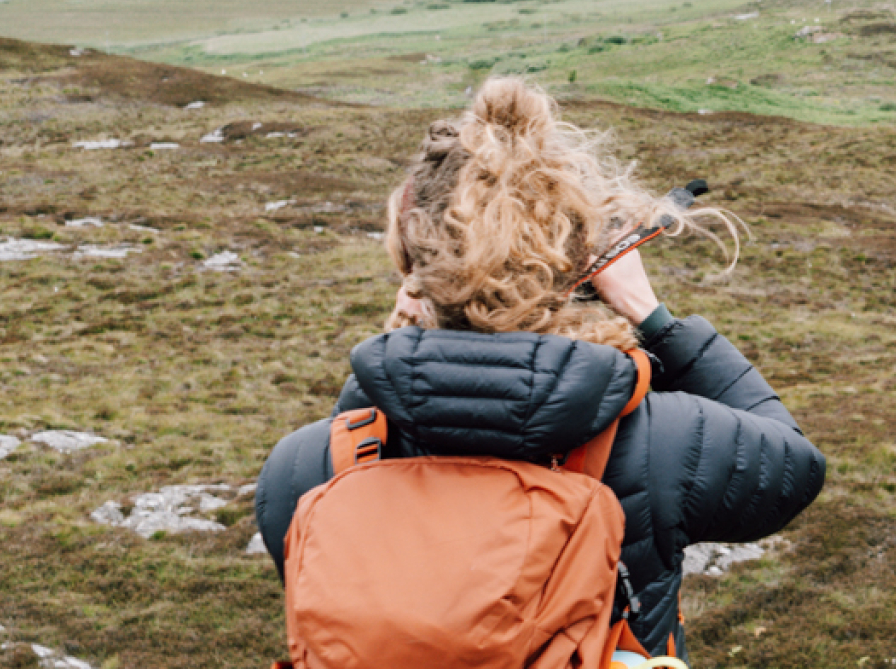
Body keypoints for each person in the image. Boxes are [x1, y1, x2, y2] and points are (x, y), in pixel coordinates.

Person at [255, 77, 826, 657]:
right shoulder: (661, 443)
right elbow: (793, 465)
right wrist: (650, 315)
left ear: (413, 263)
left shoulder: (304, 472)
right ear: (575, 261)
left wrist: (397, 349)